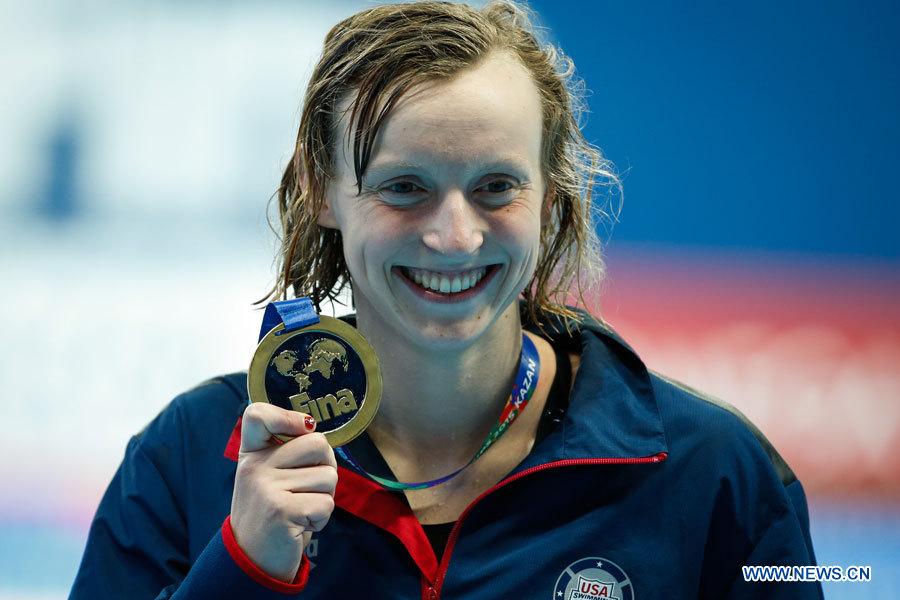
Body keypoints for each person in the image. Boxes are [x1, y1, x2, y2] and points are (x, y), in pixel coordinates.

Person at [70, 2, 824, 598]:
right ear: (320, 190)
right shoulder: (192, 459)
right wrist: (242, 571)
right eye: (406, 188)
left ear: (551, 196)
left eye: (497, 187)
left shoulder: (714, 472)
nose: (455, 238)